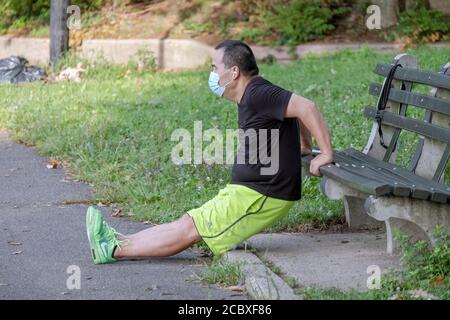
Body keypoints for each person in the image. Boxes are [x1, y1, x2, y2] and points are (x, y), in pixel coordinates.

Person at [86, 40, 333, 264]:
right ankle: (118, 239)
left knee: (190, 231)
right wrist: (304, 145)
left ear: (233, 72)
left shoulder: (258, 93)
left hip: (262, 194)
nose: (212, 74)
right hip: (249, 191)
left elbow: (306, 107)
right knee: (188, 221)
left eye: (215, 68)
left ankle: (113, 249)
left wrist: (324, 153)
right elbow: (295, 110)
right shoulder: (254, 94)